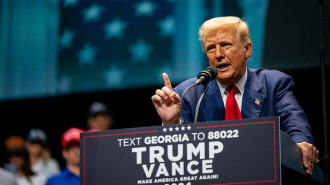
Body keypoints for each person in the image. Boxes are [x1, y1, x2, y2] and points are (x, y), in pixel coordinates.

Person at [151, 16, 319, 175]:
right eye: (211, 48)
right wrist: (170, 122)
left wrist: (300, 147)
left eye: (226, 45)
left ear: (247, 49)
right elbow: (177, 157)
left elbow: (295, 123)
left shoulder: (274, 84)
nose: (218, 54)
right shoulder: (187, 93)